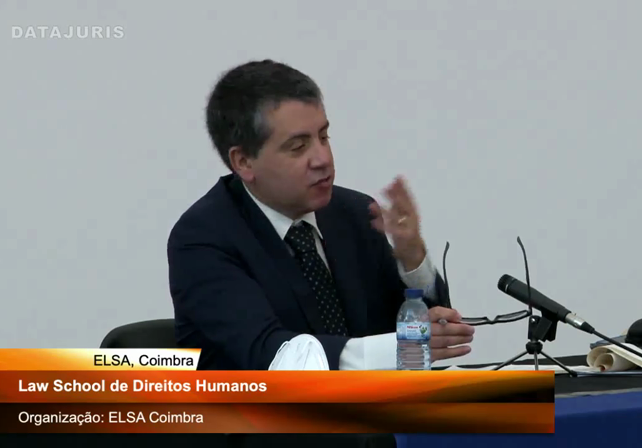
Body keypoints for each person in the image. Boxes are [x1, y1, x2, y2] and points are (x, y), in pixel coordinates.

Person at [167, 59, 475, 371]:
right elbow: (273, 356)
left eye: (324, 137)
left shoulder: (354, 214)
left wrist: (413, 262)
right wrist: (402, 346)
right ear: (244, 162)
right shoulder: (203, 239)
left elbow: (421, 341)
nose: (323, 159)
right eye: (298, 147)